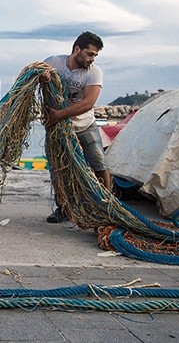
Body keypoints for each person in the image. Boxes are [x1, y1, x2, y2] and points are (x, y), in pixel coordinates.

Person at [39, 31, 111, 223]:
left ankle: (105, 205)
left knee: (99, 165)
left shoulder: (94, 72)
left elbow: (88, 103)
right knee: (58, 169)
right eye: (89, 54)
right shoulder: (53, 62)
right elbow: (35, 78)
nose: (91, 59)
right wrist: (42, 78)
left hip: (84, 125)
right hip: (58, 129)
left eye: (95, 55)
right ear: (76, 49)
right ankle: (63, 208)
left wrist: (57, 115)